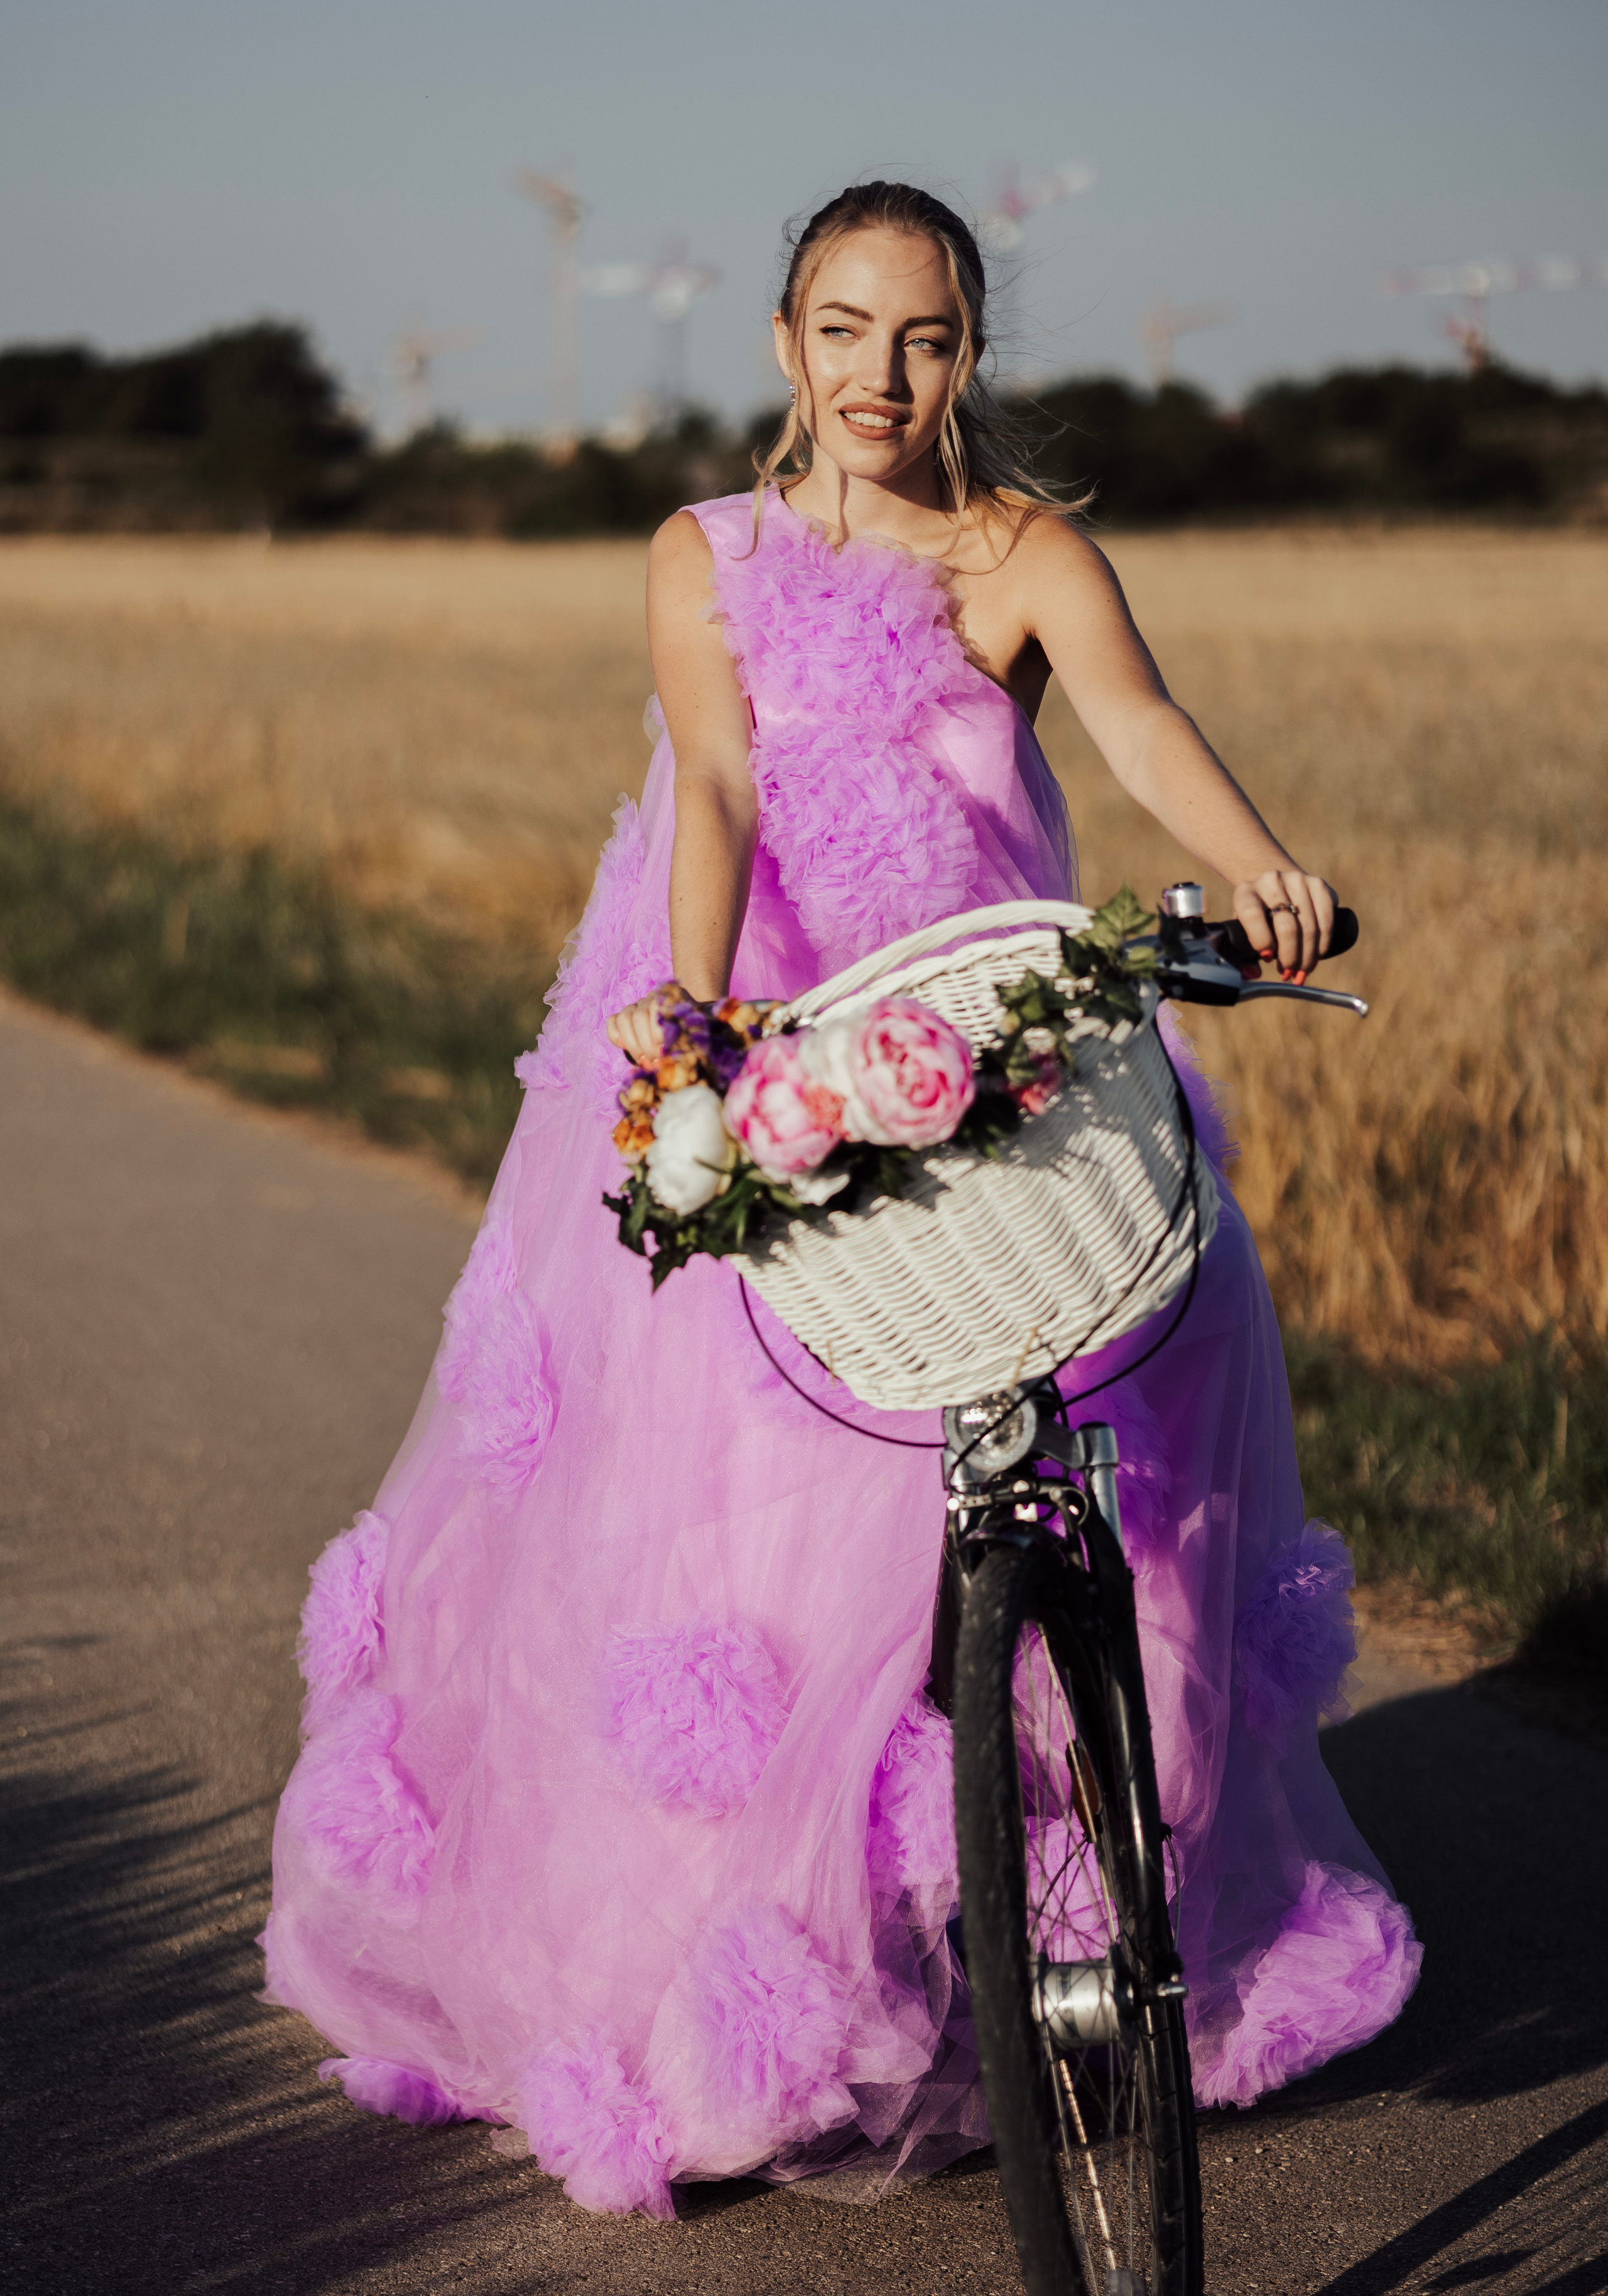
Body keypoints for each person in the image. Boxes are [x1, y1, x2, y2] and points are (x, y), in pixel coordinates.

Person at [261, 181, 1421, 2219]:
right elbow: (713, 786)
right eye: (846, 329)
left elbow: (1139, 726)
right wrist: (693, 1027)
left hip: (1010, 1070)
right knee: (762, 1534)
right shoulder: (702, 555)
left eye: (929, 337)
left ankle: (1086, 1908)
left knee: (1131, 1462)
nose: (884, 376)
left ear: (971, 356)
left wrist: (1259, 867)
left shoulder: (1024, 554)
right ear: (788, 341)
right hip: (792, 1060)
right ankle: (795, 1987)